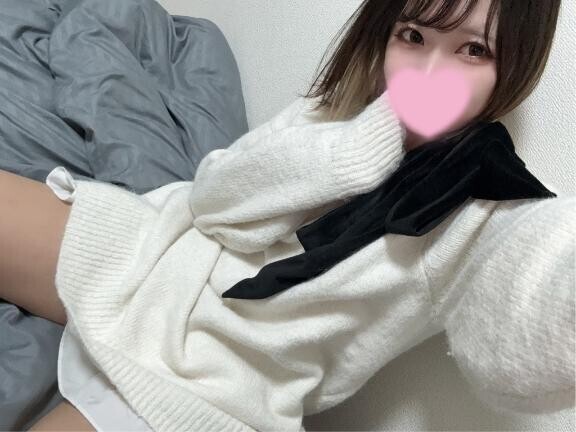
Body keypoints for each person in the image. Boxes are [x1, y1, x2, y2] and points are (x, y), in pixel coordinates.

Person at [1, 0, 570, 430]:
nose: (427, 73)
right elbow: (212, 205)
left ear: (515, 65)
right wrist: (355, 151)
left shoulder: (485, 210)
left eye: (474, 51)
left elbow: (527, 328)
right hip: (160, 255)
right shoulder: (337, 112)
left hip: (214, 379)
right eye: (413, 36)